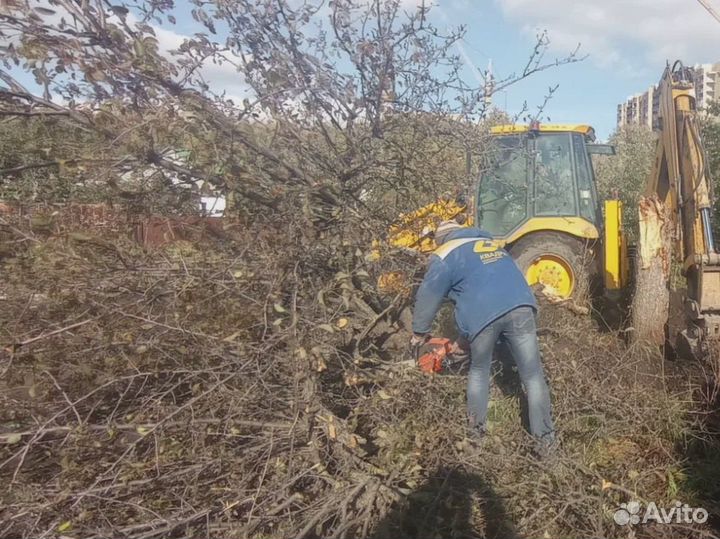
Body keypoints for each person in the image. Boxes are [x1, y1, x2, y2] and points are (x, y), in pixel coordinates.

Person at [411, 220, 555, 447]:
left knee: (479, 371)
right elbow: (492, 284)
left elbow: (429, 294)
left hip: (482, 315)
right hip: (522, 306)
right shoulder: (490, 244)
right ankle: (547, 446)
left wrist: (419, 332)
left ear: (441, 240)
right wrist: (464, 338)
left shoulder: (445, 253)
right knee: (533, 376)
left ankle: (475, 439)